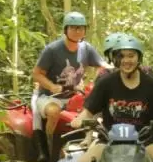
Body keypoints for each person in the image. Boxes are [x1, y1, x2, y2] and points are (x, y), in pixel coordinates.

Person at [71, 34, 153, 162]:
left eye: (131, 55)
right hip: (109, 140)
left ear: (139, 57)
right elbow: (89, 110)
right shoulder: (106, 83)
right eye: (121, 56)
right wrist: (79, 119)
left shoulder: (151, 84)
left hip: (147, 141)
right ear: (114, 59)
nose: (126, 60)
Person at [31, 11, 105, 154]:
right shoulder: (52, 50)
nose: (77, 31)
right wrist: (52, 86)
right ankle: (50, 149)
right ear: (66, 29)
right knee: (53, 112)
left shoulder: (86, 48)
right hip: (49, 97)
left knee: (98, 110)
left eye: (81, 28)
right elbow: (36, 74)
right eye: (73, 28)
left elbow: (103, 66)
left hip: (75, 96)